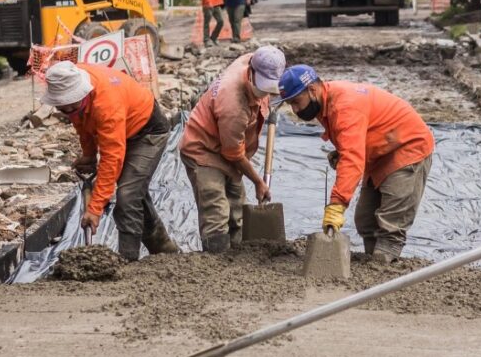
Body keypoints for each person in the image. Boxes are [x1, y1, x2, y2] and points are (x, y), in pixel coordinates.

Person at [279, 65, 435, 264]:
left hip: (407, 148)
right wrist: (341, 150)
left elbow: (353, 158)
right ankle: (375, 260)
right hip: (380, 153)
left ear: (312, 89)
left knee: (390, 225)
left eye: (296, 102)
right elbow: (354, 139)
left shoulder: (344, 105)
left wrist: (336, 205)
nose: (295, 110)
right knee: (365, 221)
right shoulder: (326, 101)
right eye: (290, 104)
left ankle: (383, 267)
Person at [41, 60, 177, 262]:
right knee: (133, 192)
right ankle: (166, 251)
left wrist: (95, 208)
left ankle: (128, 261)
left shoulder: (106, 106)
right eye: (63, 108)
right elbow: (82, 123)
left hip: (147, 132)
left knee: (128, 195)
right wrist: (88, 153)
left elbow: (111, 159)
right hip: (122, 128)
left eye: (72, 106)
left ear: (83, 94)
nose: (68, 111)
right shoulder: (70, 84)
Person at [179, 46, 286, 252]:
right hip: (203, 150)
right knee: (216, 210)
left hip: (228, 148)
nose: (265, 93)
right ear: (251, 73)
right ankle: (217, 261)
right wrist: (258, 182)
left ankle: (237, 256)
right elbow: (233, 153)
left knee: (237, 207)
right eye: (263, 88)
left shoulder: (253, 60)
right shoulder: (233, 104)